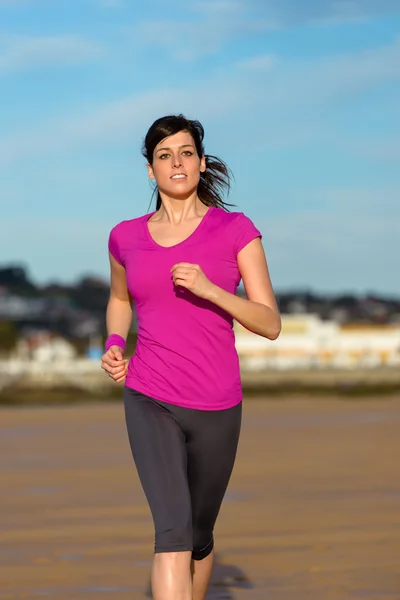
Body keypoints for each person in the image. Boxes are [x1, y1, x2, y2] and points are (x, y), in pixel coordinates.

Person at [101, 114, 281, 600]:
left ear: (201, 164)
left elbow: (269, 323)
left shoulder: (236, 230)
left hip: (217, 404)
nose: (175, 162)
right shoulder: (125, 236)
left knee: (199, 536)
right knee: (173, 531)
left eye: (185, 153)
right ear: (150, 170)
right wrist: (115, 345)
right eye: (164, 155)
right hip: (149, 395)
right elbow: (120, 300)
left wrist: (210, 290)